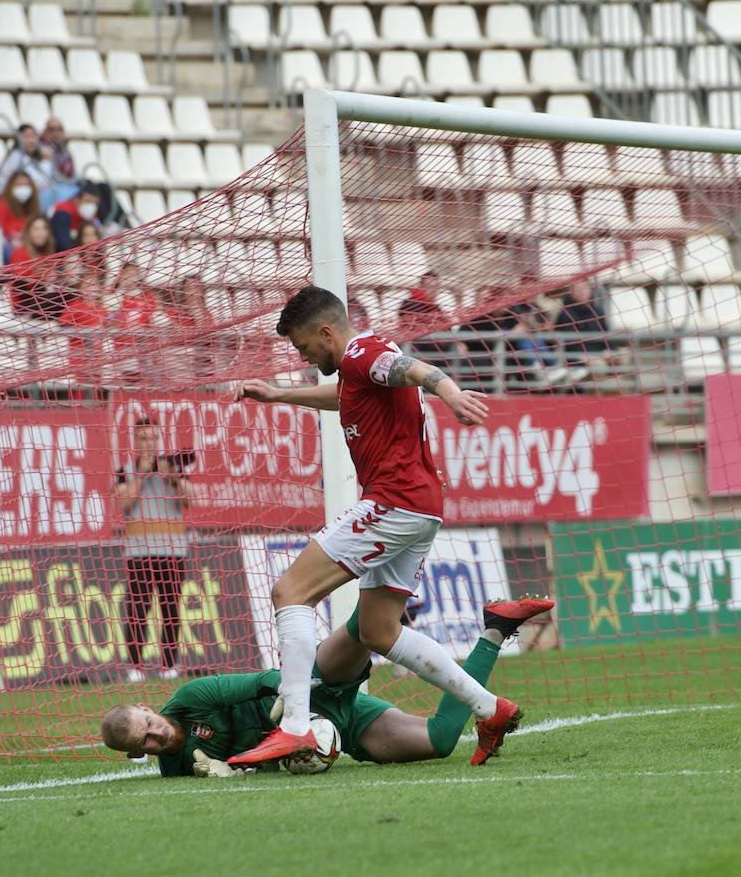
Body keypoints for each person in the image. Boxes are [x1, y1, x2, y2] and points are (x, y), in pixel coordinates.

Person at [227, 285, 521, 768]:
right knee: (378, 630)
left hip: (394, 502)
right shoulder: (355, 369)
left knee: (290, 592)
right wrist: (281, 395)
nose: (302, 355)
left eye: (303, 347)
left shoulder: (365, 351)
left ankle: (296, 728)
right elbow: (346, 395)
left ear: (326, 332)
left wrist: (450, 393)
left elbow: (414, 370)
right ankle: (490, 708)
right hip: (420, 507)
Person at [99, 597, 554, 776]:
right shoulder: (173, 768)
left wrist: (291, 707)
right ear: (140, 753)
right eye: (149, 740)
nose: (158, 733)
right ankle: (495, 630)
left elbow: (266, 679)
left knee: (366, 630)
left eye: (150, 722)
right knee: (440, 742)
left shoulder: (190, 699)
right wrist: (230, 773)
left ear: (149, 706)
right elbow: (245, 770)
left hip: (314, 691)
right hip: (338, 731)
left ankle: (386, 585)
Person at [114, 416, 192, 682]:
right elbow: (122, 505)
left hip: (173, 551)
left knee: (170, 607)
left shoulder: (172, 467)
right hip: (138, 552)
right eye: (144, 438)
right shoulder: (125, 469)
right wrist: (143, 474)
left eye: (153, 438)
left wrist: (174, 478)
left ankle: (169, 665)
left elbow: (190, 500)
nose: (149, 443)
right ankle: (135, 666)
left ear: (159, 439)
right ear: (136, 440)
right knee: (137, 608)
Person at [554, 279, 608, 384]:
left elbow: (606, 334)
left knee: (626, 357)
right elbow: (570, 344)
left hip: (598, 352)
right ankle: (594, 395)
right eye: (578, 289)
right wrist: (587, 356)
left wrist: (609, 349)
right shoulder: (565, 314)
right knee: (599, 365)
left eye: (584, 288)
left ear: (590, 290)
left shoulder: (597, 310)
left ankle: (628, 393)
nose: (582, 292)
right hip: (577, 355)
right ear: (571, 291)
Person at [0, 123, 56, 208]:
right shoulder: (15, 157)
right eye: (26, 137)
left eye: (33, 136)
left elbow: (48, 181)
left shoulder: (41, 157)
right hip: (18, 201)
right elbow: (2, 182)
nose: (31, 141)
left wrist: (47, 160)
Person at [49, 182, 102, 252]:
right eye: (88, 201)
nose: (92, 206)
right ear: (77, 200)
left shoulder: (90, 217)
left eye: (95, 203)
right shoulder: (63, 213)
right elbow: (63, 245)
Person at [40, 117, 80, 205]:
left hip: (68, 187)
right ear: (45, 132)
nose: (56, 133)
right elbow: (53, 177)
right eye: (52, 130)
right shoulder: (42, 150)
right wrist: (72, 184)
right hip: (53, 190)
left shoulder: (65, 151)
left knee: (101, 188)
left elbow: (73, 174)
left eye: (59, 130)